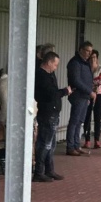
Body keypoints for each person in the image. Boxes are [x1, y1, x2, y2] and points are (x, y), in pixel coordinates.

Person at [33, 52, 71, 182]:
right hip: (47, 113)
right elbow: (51, 94)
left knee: (51, 144)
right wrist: (65, 91)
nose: (56, 67)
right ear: (49, 62)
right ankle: (39, 171)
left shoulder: (48, 75)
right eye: (55, 65)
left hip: (52, 113)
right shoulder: (42, 76)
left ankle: (49, 170)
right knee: (45, 143)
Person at [66, 41, 95, 156]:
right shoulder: (75, 63)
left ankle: (76, 145)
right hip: (78, 95)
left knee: (80, 121)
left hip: (85, 96)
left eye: (90, 51)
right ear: (81, 50)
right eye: (87, 51)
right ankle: (70, 147)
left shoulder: (85, 63)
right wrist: (89, 91)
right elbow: (76, 80)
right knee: (74, 121)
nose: (89, 53)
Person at [83, 50, 101, 149]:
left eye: (94, 57)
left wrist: (94, 85)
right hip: (89, 94)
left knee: (97, 118)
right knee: (87, 117)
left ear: (97, 58)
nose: (93, 59)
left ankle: (97, 140)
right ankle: (87, 140)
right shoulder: (87, 68)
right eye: (91, 57)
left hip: (99, 95)